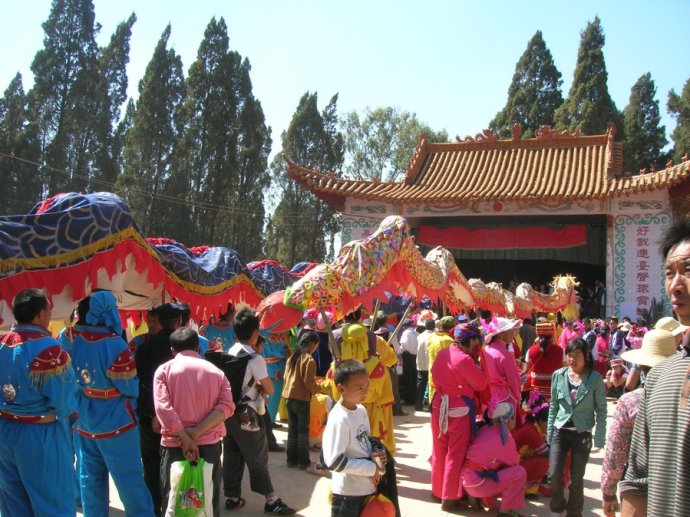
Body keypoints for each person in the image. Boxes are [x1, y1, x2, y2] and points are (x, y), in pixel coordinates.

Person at [620, 219, 690, 515]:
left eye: (687, 270)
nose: (676, 284)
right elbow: (637, 481)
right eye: (669, 273)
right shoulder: (659, 376)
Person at [70, 291, 154, 516]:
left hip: (86, 421)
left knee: (91, 480)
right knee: (129, 480)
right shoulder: (116, 345)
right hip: (117, 422)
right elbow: (130, 388)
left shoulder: (74, 339)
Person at [0, 288, 77, 517]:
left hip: (4, 431)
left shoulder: (1, 344)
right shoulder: (50, 350)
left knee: (13, 504)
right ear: (41, 313)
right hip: (40, 434)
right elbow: (64, 402)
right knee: (52, 503)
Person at [154, 327, 235, 517]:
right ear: (198, 347)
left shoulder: (164, 371)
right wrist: (197, 432)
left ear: (172, 350)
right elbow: (227, 406)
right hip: (209, 447)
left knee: (173, 501)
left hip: (175, 446)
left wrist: (184, 436)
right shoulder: (216, 372)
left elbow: (162, 408)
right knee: (207, 502)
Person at [223, 308, 295, 514]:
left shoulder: (228, 354)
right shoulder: (255, 359)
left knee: (231, 453)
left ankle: (232, 496)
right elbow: (270, 388)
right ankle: (271, 500)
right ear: (255, 333)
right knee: (257, 455)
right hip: (248, 413)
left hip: (228, 413)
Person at [600, 328, 677, 516]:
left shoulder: (630, 401)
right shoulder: (683, 398)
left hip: (638, 486)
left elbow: (616, 452)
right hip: (677, 487)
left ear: (642, 367)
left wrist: (608, 491)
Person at [430, 323, 487, 512]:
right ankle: (449, 497)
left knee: (440, 449)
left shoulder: (443, 353)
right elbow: (480, 384)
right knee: (456, 453)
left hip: (439, 404)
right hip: (458, 408)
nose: (476, 346)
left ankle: (438, 491)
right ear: (470, 340)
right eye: (475, 341)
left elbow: (434, 374)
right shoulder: (464, 359)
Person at [547, 337, 607, 517]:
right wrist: (549, 432)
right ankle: (557, 506)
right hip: (560, 431)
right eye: (569, 355)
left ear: (586, 356)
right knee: (554, 475)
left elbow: (602, 410)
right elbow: (554, 406)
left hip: (582, 434)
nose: (572, 359)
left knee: (576, 478)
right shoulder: (559, 375)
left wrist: (599, 437)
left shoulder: (595, 378)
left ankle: (574, 513)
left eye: (577, 355)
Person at [321, 359, 385, 517]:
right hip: (347, 494)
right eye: (359, 388)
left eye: (366, 386)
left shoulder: (361, 410)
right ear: (341, 388)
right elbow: (334, 462)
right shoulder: (339, 419)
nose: (365, 391)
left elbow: (365, 443)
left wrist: (377, 461)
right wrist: (372, 469)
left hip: (365, 487)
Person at [135, 302, 181, 515]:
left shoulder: (144, 347)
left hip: (149, 415)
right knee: (176, 465)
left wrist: (153, 412)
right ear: (178, 322)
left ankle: (154, 508)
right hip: (180, 417)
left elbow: (142, 382)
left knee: (152, 466)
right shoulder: (185, 347)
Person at [461, 403, 527, 517]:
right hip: (478, 484)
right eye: (513, 417)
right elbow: (514, 463)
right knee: (519, 473)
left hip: (466, 480)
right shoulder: (504, 438)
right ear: (507, 420)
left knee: (497, 466)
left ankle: (480, 499)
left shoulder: (485, 428)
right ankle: (505, 513)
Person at [282, 331, 320, 470]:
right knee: (303, 431)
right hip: (301, 399)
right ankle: (303, 461)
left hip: (289, 397)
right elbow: (308, 382)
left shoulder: (292, 358)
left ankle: (291, 460)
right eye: (316, 345)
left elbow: (286, 379)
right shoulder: (308, 360)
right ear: (311, 344)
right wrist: (318, 389)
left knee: (292, 430)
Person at [512, 393, 550, 499]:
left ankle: (529, 488)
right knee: (545, 462)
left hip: (514, 464)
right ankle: (527, 489)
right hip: (510, 468)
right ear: (541, 420)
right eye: (550, 424)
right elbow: (548, 454)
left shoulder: (536, 428)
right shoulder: (531, 431)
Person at [483, 317, 523, 415]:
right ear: (501, 334)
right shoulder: (505, 354)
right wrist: (518, 397)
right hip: (505, 397)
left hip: (490, 395)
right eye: (510, 331)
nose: (512, 334)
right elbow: (513, 379)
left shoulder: (486, 350)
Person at [523, 322, 563, 400]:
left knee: (537, 410)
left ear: (538, 336)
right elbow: (564, 369)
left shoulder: (530, 350)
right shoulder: (560, 350)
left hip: (536, 388)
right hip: (554, 387)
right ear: (552, 335)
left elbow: (528, 370)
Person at [426, 316, 456, 403]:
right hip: (444, 379)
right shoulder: (449, 340)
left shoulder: (432, 337)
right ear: (452, 328)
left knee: (434, 404)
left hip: (432, 374)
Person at [415, 317, 435, 411]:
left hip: (421, 364)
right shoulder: (435, 336)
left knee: (420, 386)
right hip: (431, 364)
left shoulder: (419, 336)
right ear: (434, 326)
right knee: (432, 385)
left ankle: (418, 405)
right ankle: (431, 406)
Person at [398, 318, 418, 406]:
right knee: (414, 378)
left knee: (408, 379)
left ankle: (409, 400)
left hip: (408, 356)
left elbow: (403, 345)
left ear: (404, 326)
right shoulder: (416, 333)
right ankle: (414, 398)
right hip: (415, 357)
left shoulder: (406, 333)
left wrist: (398, 352)